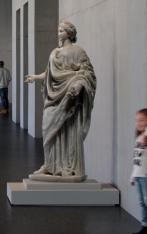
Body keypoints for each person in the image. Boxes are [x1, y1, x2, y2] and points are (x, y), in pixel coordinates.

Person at [25, 21, 96, 179]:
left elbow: (87, 73)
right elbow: (49, 73)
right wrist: (35, 77)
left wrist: (78, 86)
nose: (58, 33)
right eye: (58, 30)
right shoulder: (54, 52)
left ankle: (66, 166)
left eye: (61, 30)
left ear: (69, 33)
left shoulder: (78, 51)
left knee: (68, 130)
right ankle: (49, 164)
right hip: (53, 97)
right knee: (47, 128)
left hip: (69, 97)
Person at [131, 108, 147, 234]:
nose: (139, 123)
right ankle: (145, 226)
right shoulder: (138, 139)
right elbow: (136, 160)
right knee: (142, 202)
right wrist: (132, 176)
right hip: (138, 176)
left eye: (142, 120)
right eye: (137, 121)